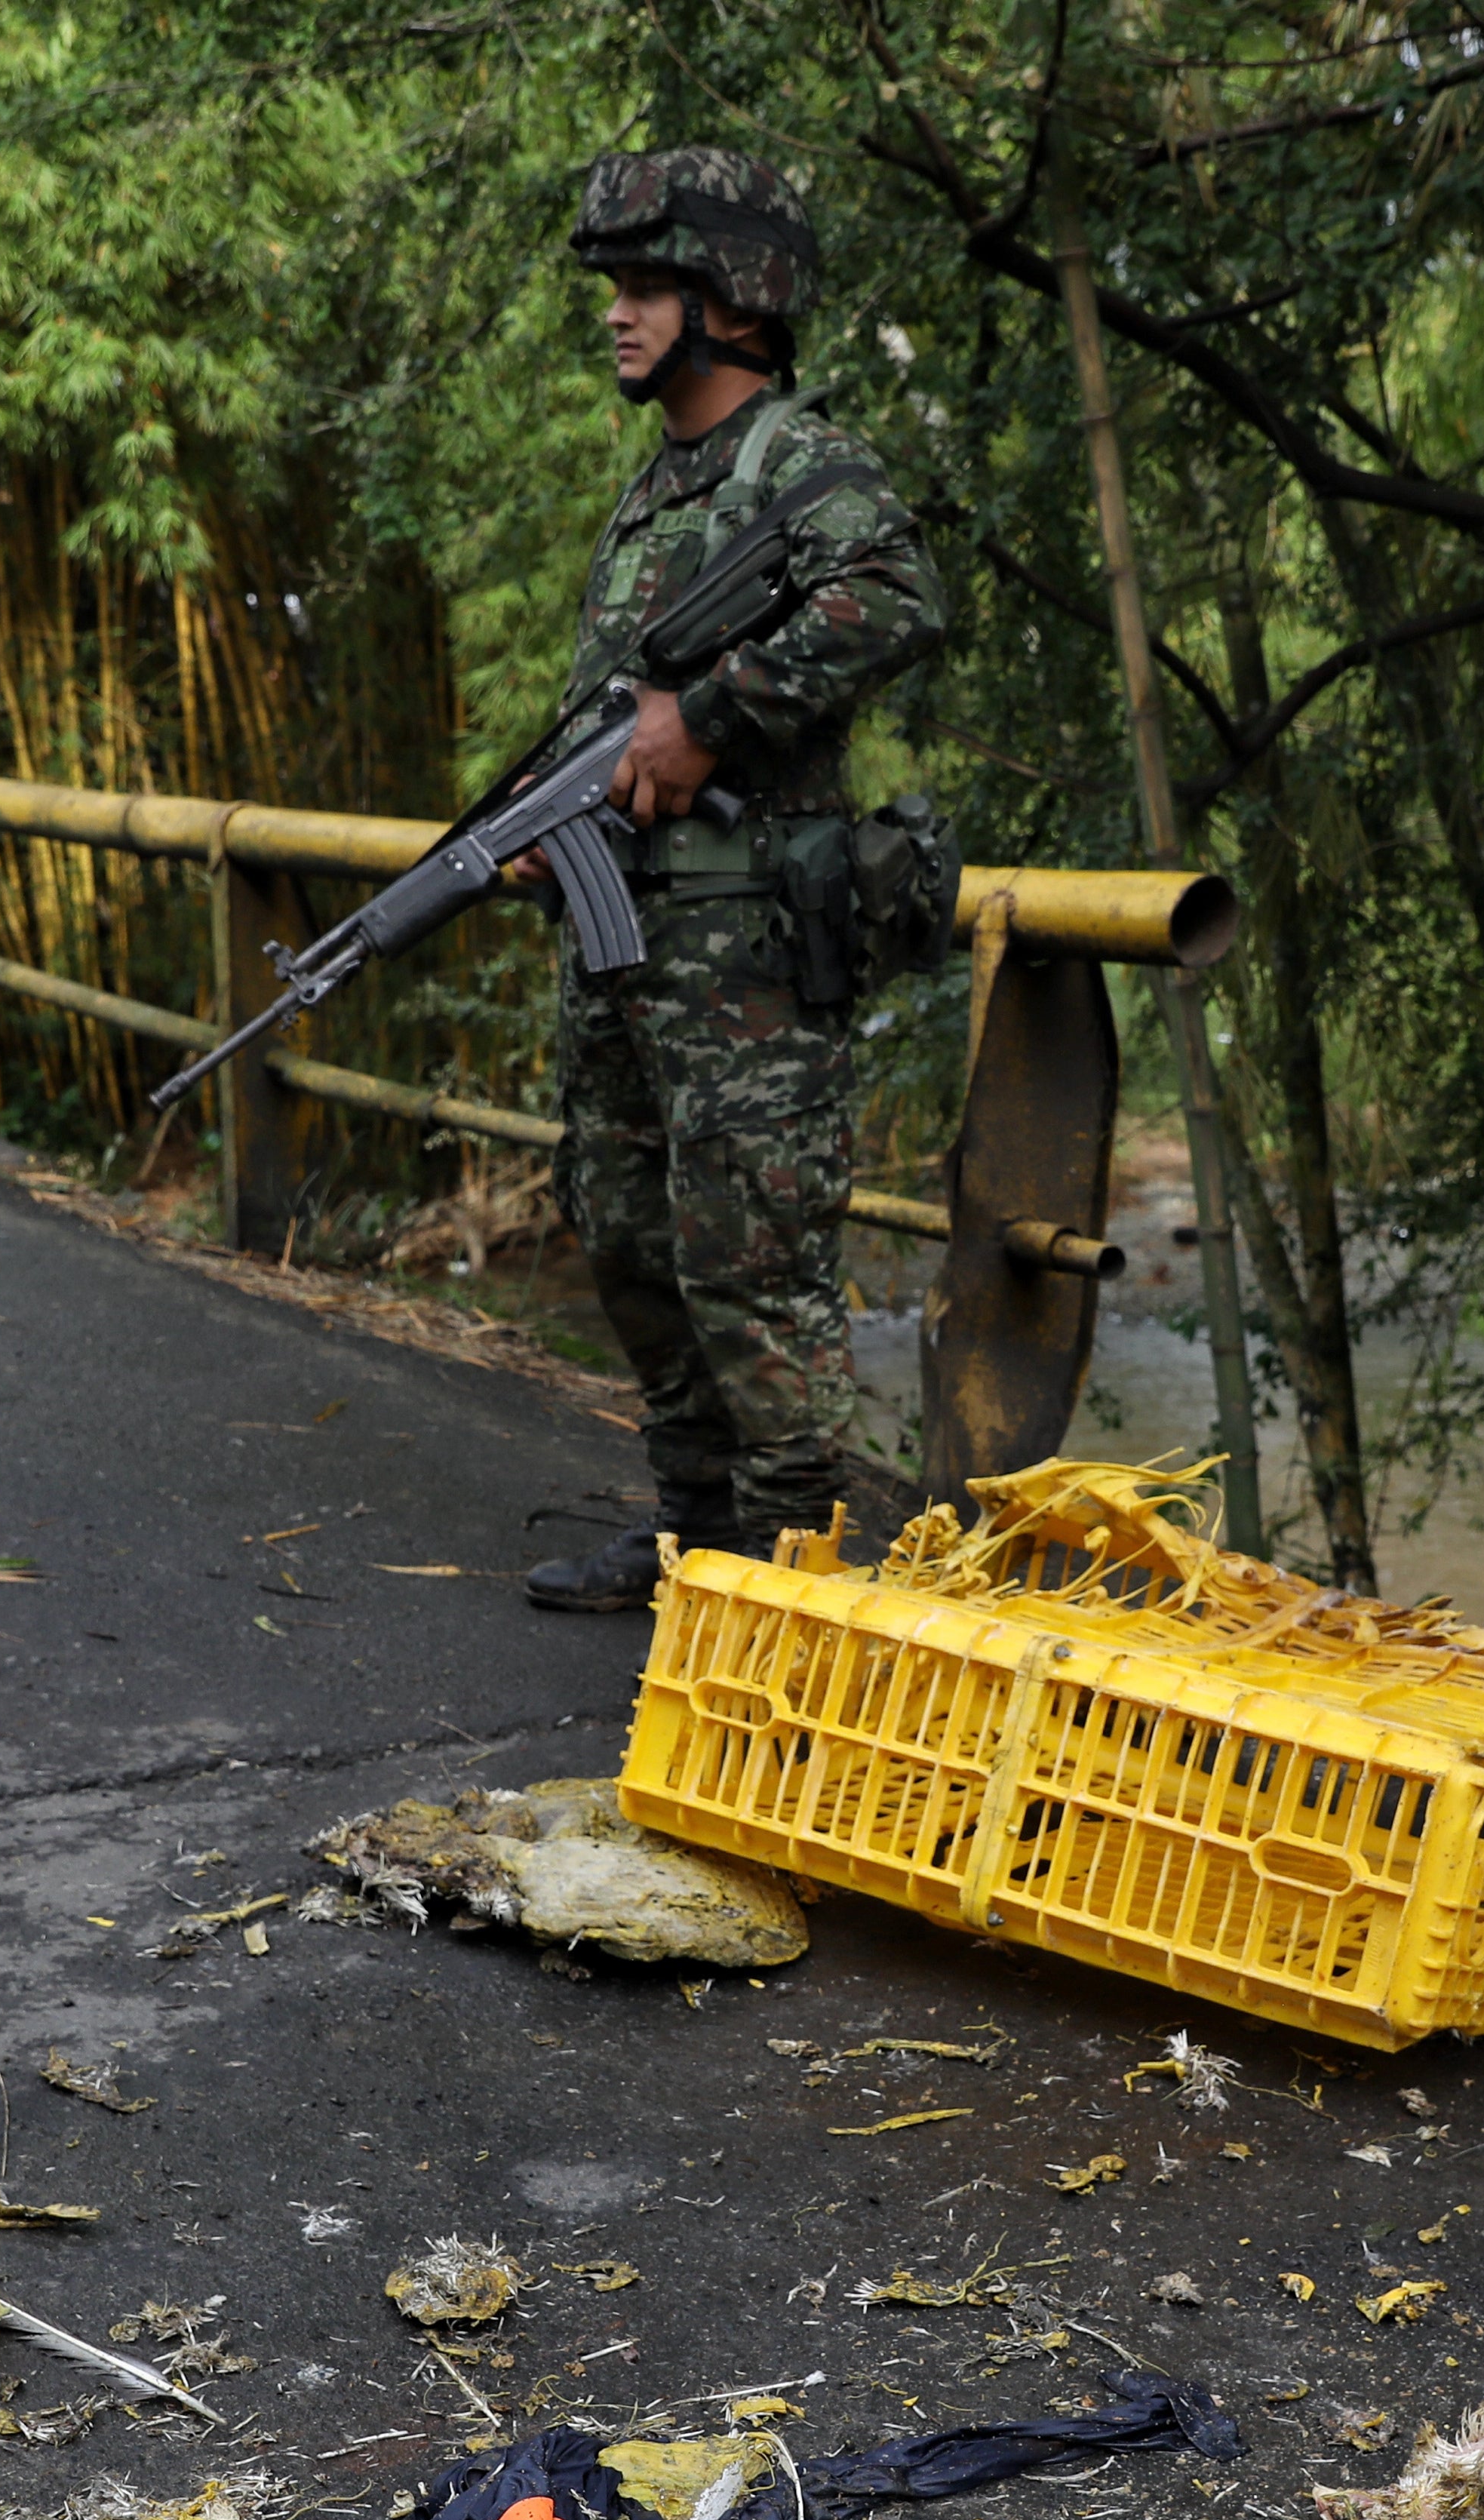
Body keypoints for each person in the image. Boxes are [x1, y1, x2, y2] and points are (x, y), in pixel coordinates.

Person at [520, 149, 945, 1614]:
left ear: (737, 301)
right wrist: (548, 818)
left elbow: (894, 599)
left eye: (648, 287)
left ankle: (789, 1579)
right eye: (616, 288)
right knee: (627, 1235)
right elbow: (610, 720)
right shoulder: (656, 494)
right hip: (628, 947)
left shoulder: (801, 464)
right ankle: (689, 1537)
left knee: (750, 1261)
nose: (618, 314)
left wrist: (708, 717)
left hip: (748, 954)